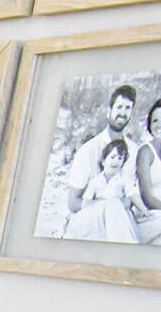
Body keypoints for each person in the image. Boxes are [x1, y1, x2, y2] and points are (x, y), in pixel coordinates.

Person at [63, 84, 140, 240]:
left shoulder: (134, 150)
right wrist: (108, 206)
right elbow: (73, 203)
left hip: (122, 220)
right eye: (119, 107)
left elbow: (132, 196)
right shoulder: (88, 150)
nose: (123, 113)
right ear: (108, 111)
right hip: (86, 221)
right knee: (113, 206)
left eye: (127, 108)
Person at [132, 96, 161, 244]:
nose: (159, 125)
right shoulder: (146, 152)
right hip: (151, 216)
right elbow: (147, 196)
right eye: (155, 120)